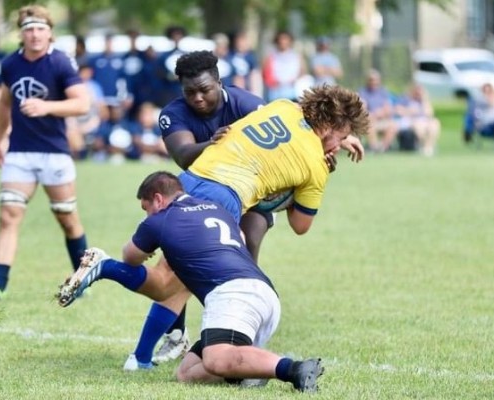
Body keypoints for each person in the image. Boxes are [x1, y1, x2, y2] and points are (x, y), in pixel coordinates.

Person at [127, 51, 365, 370]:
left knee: (206, 263)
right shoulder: (315, 166)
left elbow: (299, 119)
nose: (198, 98)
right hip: (225, 193)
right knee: (177, 277)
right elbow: (300, 225)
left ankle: (205, 339)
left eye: (205, 90)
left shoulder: (277, 105)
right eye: (190, 91)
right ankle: (120, 292)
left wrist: (337, 139)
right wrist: (311, 177)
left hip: (199, 182)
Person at [57, 171, 324, 392]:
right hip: (263, 294)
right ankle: (249, 371)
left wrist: (150, 238)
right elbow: (241, 239)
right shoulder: (217, 208)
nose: (147, 214)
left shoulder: (159, 220)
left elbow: (130, 257)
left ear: (158, 199)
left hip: (232, 295)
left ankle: (294, 369)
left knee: (217, 359)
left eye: (146, 208)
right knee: (188, 372)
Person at [0, 4, 90, 302]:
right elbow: (4, 104)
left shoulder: (60, 63)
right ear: (22, 34)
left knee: (67, 219)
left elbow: (82, 104)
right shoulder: (11, 64)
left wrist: (46, 106)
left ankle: (81, 279)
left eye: (41, 29)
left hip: (54, 154)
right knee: (8, 216)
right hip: (20, 153)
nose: (35, 35)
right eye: (29, 29)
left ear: (50, 33)